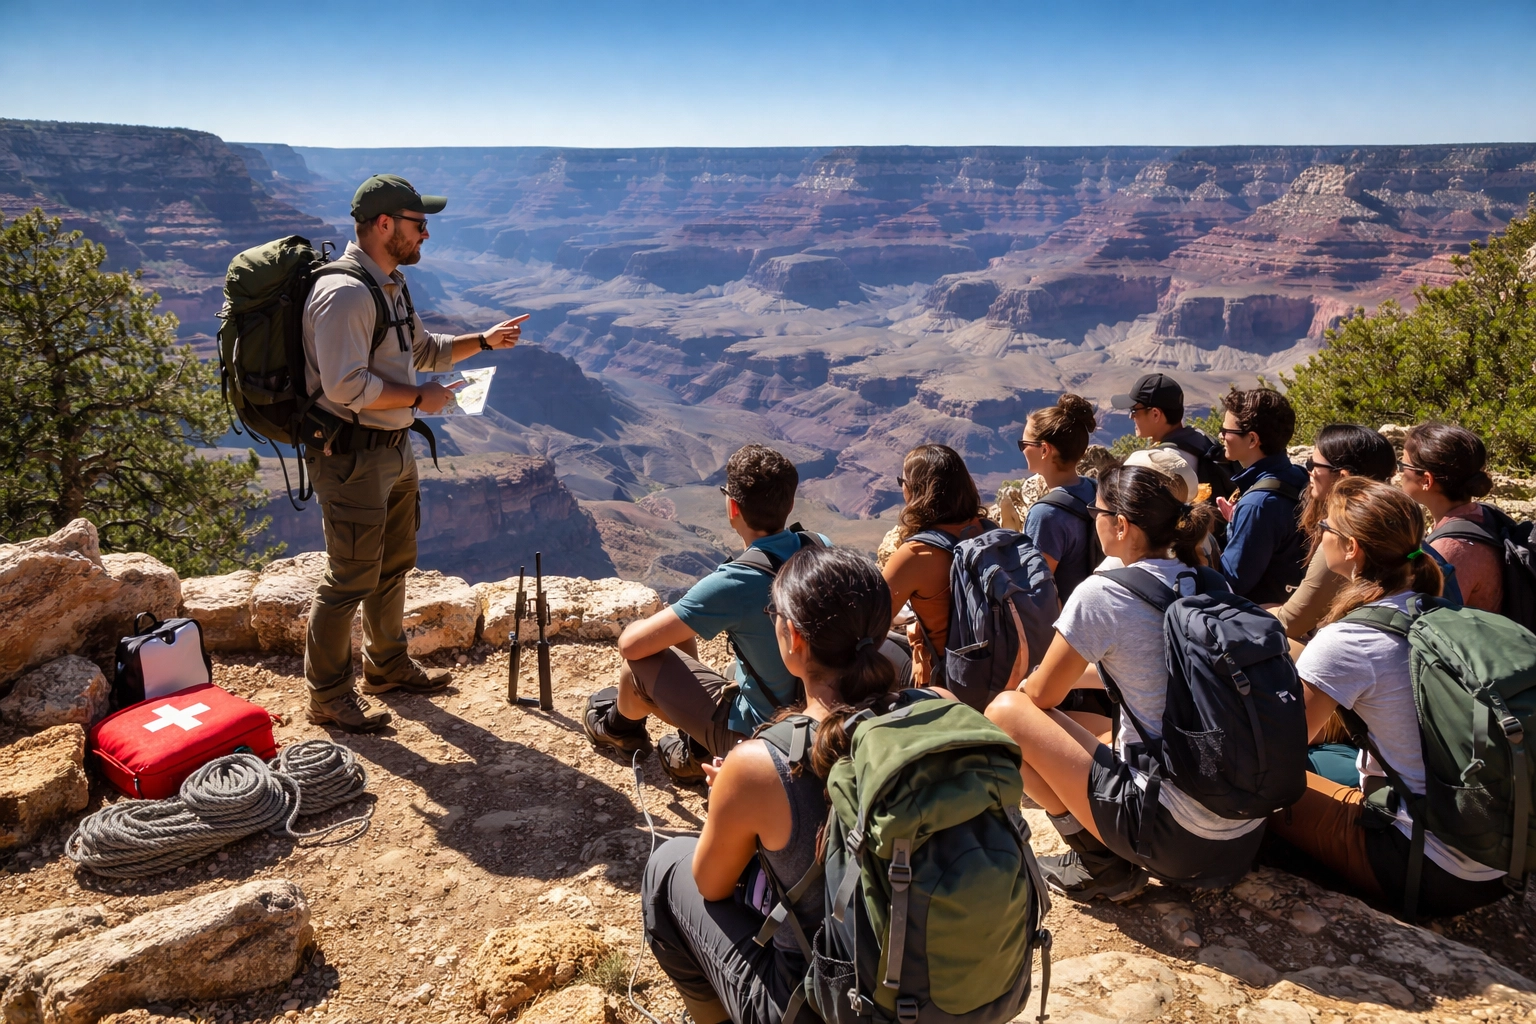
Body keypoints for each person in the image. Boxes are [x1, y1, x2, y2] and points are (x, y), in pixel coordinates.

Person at [303, 174, 528, 732]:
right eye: (418, 224)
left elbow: (422, 351)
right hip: (351, 455)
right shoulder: (346, 293)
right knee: (349, 576)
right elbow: (344, 385)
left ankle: (386, 666)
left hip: (394, 447)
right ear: (385, 225)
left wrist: (484, 339)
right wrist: (419, 398)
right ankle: (327, 695)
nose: (426, 234)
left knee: (393, 564)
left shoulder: (391, 285)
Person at [642, 546, 899, 1024]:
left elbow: (710, 885)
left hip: (827, 1001)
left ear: (794, 638)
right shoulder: (938, 706)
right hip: (940, 985)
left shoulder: (762, 764)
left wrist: (734, 796)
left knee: (665, 870)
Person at [986, 466, 1264, 902]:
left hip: (1174, 837)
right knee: (1069, 717)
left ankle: (1101, 865)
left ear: (1120, 524)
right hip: (1240, 829)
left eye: (1095, 510)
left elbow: (1040, 695)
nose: (1091, 518)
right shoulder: (1203, 577)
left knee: (1004, 714)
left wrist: (1025, 692)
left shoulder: (1103, 593)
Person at [1266, 478, 1509, 917]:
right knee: (1333, 757)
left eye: (1326, 526)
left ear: (1352, 547)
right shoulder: (1442, 611)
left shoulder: (1349, 637)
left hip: (1426, 866)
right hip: (1499, 855)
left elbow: (1276, 751)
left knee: (1249, 788)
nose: (1318, 533)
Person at [583, 445, 826, 784]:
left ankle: (623, 731)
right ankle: (692, 745)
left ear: (733, 507)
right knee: (705, 646)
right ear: (788, 503)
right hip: (817, 716)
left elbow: (631, 647)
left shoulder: (735, 583)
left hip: (766, 736)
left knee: (638, 664)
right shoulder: (817, 546)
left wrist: (641, 625)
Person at [1273, 424, 1400, 639]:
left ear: (1342, 477)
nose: (1309, 471)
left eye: (1313, 464)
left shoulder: (1343, 538)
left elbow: (1290, 623)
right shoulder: (1397, 523)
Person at [882, 444, 988, 686]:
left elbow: (872, 620)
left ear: (916, 491)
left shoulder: (915, 554)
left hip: (953, 679)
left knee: (870, 646)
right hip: (1000, 666)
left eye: (903, 482)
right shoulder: (988, 530)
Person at [1216, 388, 1309, 605]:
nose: (1221, 436)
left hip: (1262, 615)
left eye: (1225, 430)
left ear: (1252, 440)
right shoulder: (1298, 475)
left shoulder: (1257, 505)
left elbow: (1232, 582)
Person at [1400, 423, 1503, 614]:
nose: (1399, 473)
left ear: (1426, 480)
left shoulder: (1447, 553)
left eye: (1404, 465)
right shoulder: (1485, 515)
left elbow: (1428, 627)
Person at [1019, 394, 1100, 599]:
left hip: (1065, 622)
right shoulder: (1096, 489)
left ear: (1044, 449)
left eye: (1024, 444)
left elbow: (1036, 588)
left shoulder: (1046, 515)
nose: (1022, 450)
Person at [1112, 372, 1233, 500]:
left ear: (1155, 414)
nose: (1131, 417)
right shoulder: (1200, 438)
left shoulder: (1160, 463)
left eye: (1134, 410)